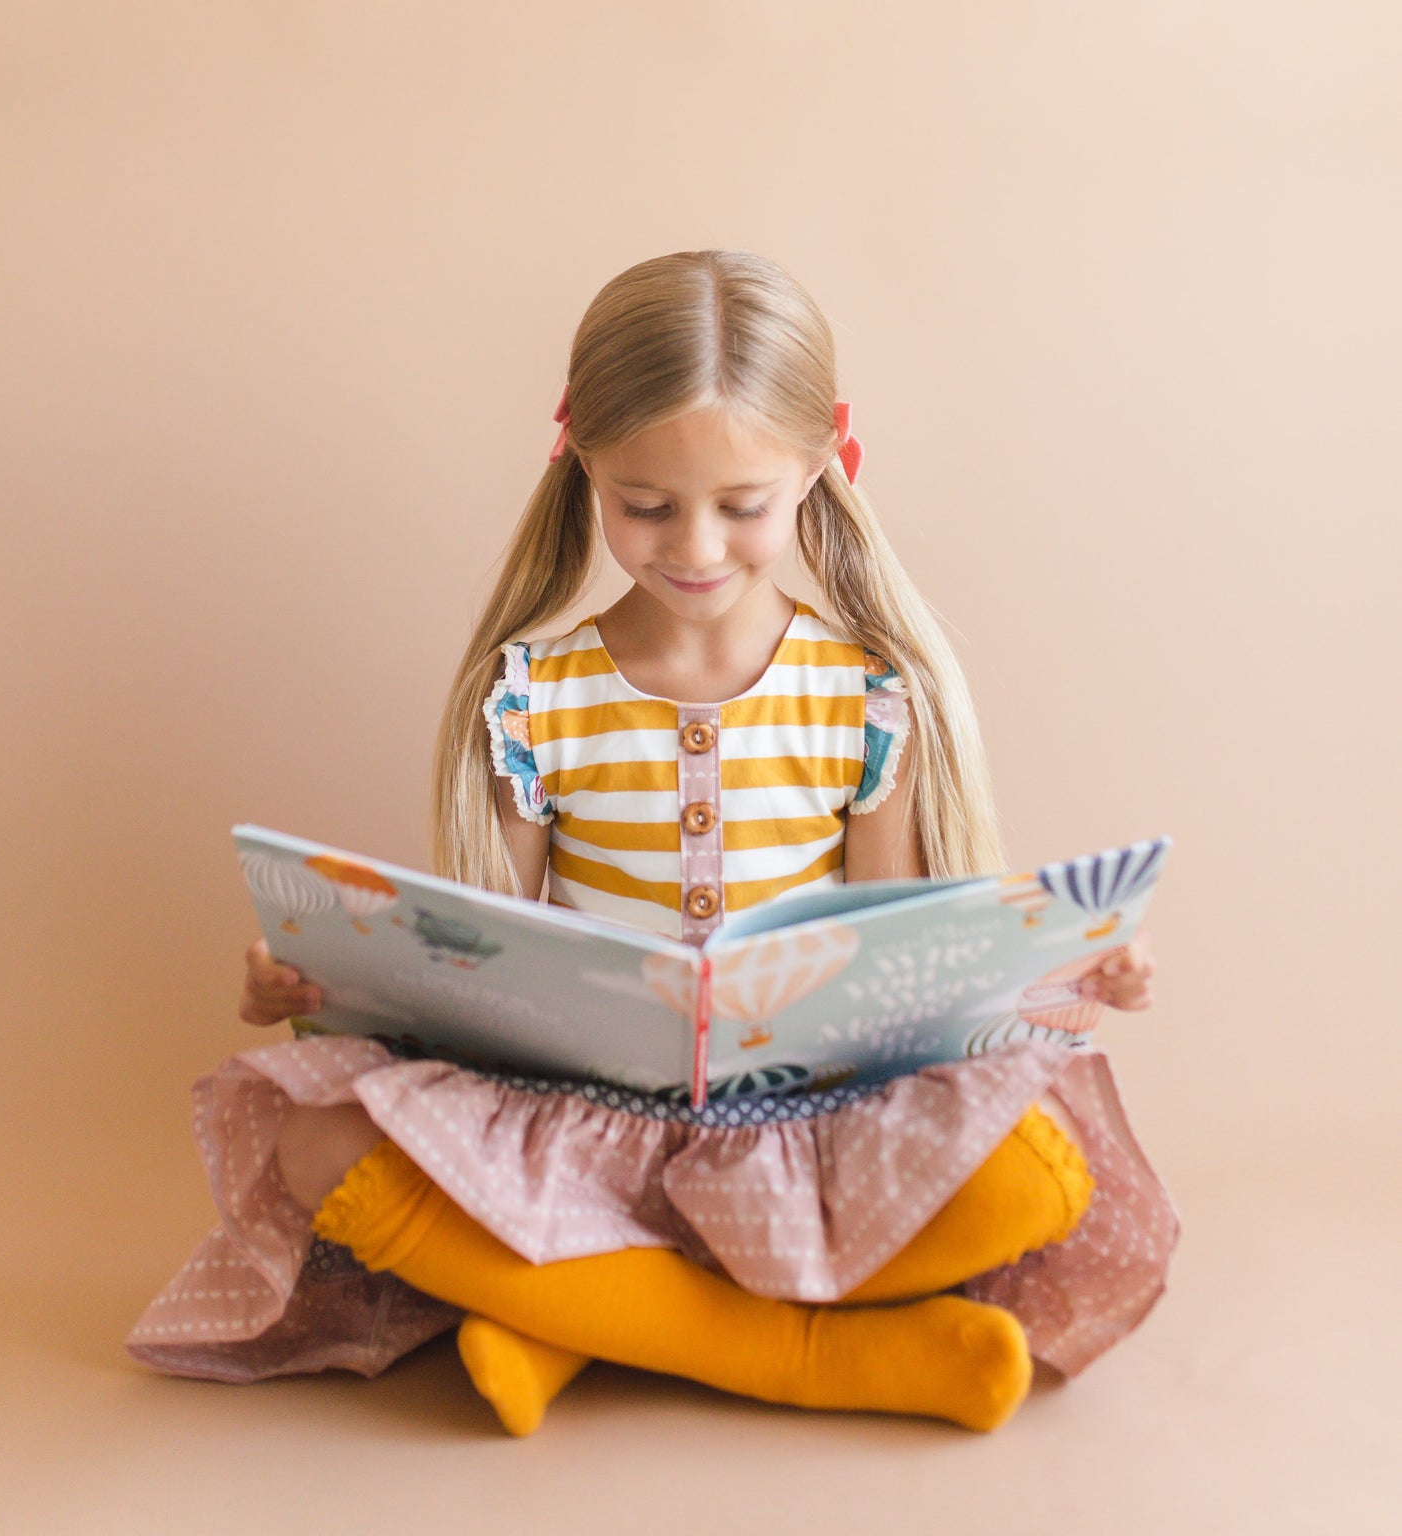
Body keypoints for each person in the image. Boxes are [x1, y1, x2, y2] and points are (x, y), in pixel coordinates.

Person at [128, 249, 1174, 1434]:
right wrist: (308, 985)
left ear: (820, 471)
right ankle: (808, 1350)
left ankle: (569, 1315)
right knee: (312, 1137)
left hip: (804, 1117)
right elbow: (478, 944)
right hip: (573, 1116)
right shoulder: (537, 694)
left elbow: (899, 953)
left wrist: (1068, 964)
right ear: (581, 466)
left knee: (1038, 1169)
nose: (695, 545)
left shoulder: (865, 695)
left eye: (742, 506)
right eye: (645, 504)